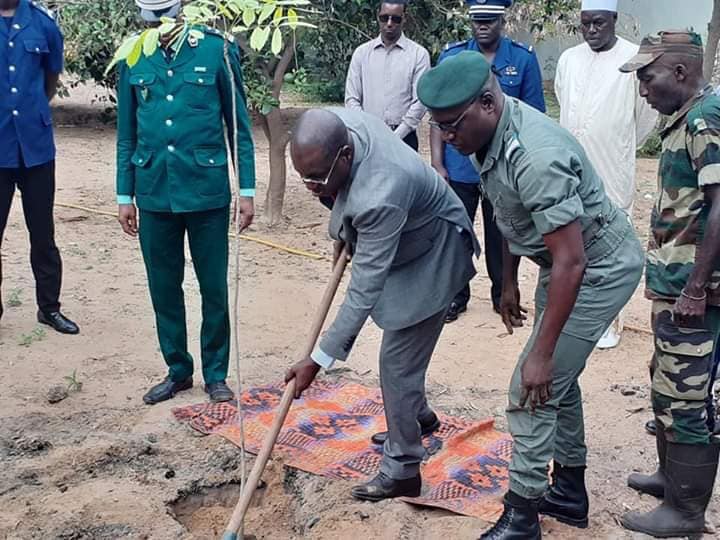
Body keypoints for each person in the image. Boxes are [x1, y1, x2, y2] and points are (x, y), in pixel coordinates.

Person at [418, 51, 644, 538]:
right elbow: (508, 209)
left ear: (487, 103)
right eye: (438, 128)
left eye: (452, 127)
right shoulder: (486, 135)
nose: (447, 139)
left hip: (596, 267)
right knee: (555, 381)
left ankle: (522, 516)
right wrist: (508, 282)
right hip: (564, 262)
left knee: (532, 386)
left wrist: (540, 353)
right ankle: (569, 491)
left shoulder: (534, 155)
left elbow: (573, 261)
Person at [285, 108, 478, 502]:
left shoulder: (381, 194)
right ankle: (418, 418)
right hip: (407, 235)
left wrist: (318, 360)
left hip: (435, 252)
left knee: (397, 361)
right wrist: (338, 210)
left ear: (345, 156)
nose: (310, 187)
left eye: (318, 179)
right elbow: (345, 199)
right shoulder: (338, 124)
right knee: (402, 351)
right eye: (303, 177)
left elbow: (364, 289)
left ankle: (403, 467)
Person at [115, 0, 256, 405]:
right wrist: (125, 194)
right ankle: (178, 370)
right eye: (150, 16)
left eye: (165, 15)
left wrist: (245, 189)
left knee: (213, 288)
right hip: (154, 190)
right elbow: (127, 133)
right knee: (164, 287)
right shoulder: (134, 54)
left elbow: (238, 130)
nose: (157, 23)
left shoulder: (217, 50)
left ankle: (216, 373)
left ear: (181, 11)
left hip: (206, 190)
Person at [617, 31, 720, 539]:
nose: (642, 89)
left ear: (680, 72)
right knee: (667, 384)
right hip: (677, 284)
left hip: (695, 292)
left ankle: (685, 513)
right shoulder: (686, 118)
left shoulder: (705, 118)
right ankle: (669, 480)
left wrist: (697, 287)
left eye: (647, 76)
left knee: (685, 397)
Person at [431, 0, 546, 322]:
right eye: (478, 20)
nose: (483, 26)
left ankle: (503, 294)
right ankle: (455, 296)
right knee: (456, 234)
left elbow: (533, 115)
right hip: (460, 166)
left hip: (503, 168)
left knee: (504, 234)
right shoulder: (452, 57)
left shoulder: (522, 59)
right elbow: (436, 118)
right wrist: (439, 165)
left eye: (490, 20)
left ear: (502, 21)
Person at [555, 0, 657, 348]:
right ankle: (576, 316)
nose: (591, 31)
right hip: (572, 173)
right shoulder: (569, 59)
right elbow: (562, 100)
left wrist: (619, 143)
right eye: (585, 24)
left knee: (612, 248)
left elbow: (643, 118)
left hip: (612, 169)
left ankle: (611, 324)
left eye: (598, 23)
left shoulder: (633, 58)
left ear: (613, 19)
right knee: (573, 244)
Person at [0, 0, 79, 334]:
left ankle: (49, 308)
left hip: (36, 147)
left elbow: (50, 78)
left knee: (43, 234)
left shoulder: (44, 23)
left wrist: (32, 109)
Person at [344, 0, 430, 151]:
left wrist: (395, 137)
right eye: (384, 18)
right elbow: (351, 99)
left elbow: (420, 101)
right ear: (378, 17)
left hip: (404, 139)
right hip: (367, 137)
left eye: (395, 19)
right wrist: (368, 130)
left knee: (404, 175)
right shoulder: (362, 53)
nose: (389, 23)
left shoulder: (418, 54)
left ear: (405, 18)